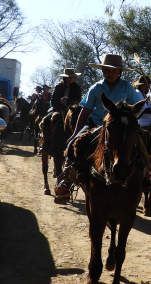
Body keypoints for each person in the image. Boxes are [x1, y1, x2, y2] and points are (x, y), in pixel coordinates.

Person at [54, 54, 144, 201]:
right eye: (106, 70)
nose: (110, 73)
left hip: (120, 126)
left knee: (145, 142)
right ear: (102, 70)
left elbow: (136, 107)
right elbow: (85, 111)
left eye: (114, 70)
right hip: (96, 123)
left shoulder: (127, 87)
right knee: (73, 144)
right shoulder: (96, 87)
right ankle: (66, 180)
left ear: (119, 72)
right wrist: (76, 133)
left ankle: (147, 175)